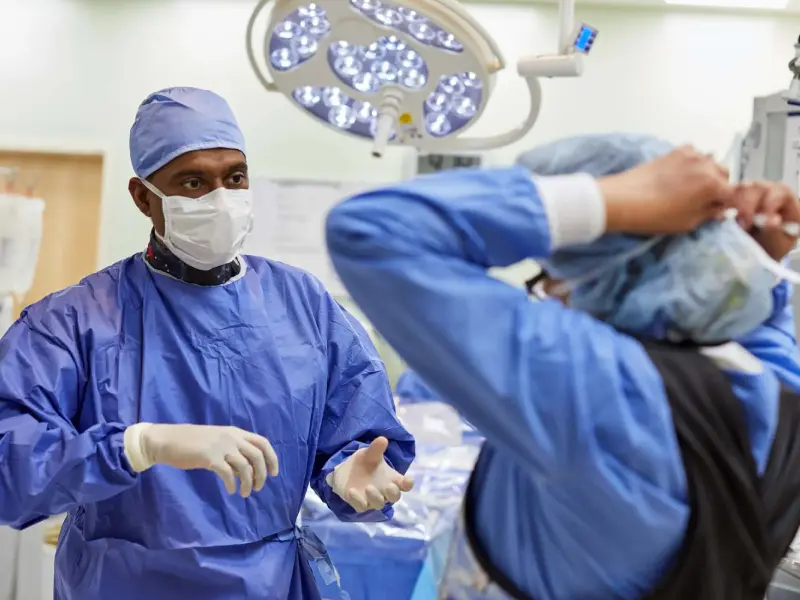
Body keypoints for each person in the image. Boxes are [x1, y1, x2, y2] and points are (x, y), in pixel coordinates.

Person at [326, 133, 800, 599]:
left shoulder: (603, 392)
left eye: (555, 272)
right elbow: (761, 316)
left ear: (614, 265)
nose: (552, 293)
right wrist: (748, 256)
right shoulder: (776, 387)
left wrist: (613, 200)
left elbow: (371, 231)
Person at [0, 87, 415, 600]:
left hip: (267, 585)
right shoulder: (73, 322)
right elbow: (9, 465)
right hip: (123, 585)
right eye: (193, 182)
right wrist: (140, 445)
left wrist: (351, 475)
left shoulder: (304, 305)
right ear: (143, 196)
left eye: (234, 178)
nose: (220, 198)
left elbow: (360, 436)